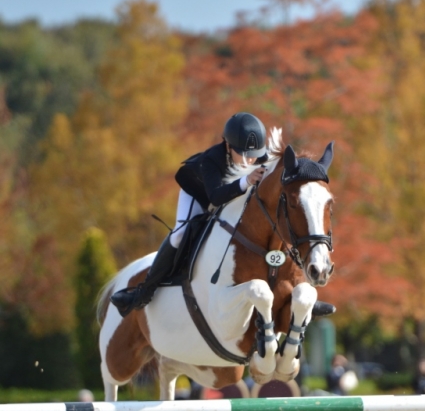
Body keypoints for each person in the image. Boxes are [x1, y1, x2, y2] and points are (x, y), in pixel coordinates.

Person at [110, 112, 334, 319]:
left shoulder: (259, 156)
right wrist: (246, 181)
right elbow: (215, 198)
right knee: (180, 235)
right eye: (242, 154)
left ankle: (297, 293)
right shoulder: (211, 160)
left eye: (253, 156)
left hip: (233, 196)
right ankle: (145, 291)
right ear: (228, 146)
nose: (248, 161)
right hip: (200, 194)